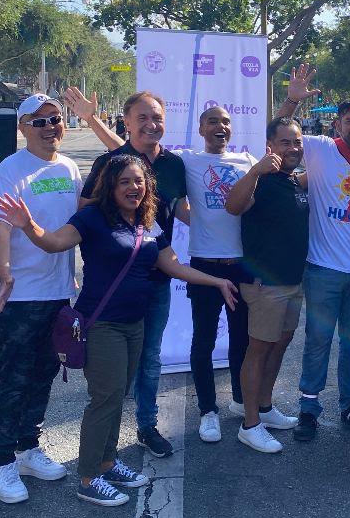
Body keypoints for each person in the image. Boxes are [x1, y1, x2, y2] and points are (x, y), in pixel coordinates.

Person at [0, 154, 237, 505]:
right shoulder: (92, 218)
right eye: (124, 181)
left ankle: (107, 462)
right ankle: (89, 477)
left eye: (138, 181)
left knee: (118, 394)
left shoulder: (147, 222)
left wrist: (216, 281)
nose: (133, 188)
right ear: (110, 186)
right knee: (104, 398)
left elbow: (172, 266)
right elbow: (55, 243)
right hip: (101, 323)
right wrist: (29, 224)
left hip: (133, 324)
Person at [277, 65, 350, 440]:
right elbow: (276, 135)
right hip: (323, 268)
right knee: (317, 342)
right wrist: (292, 99)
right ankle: (308, 408)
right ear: (338, 125)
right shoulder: (321, 149)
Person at [0, 94, 80, 504]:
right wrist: (5, 275)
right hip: (21, 294)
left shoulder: (71, 167)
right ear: (22, 128)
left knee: (44, 372)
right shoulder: (12, 168)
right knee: (14, 378)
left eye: (55, 120)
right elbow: (1, 227)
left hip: (59, 291)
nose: (49, 128)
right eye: (38, 122)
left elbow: (79, 225)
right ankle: (3, 461)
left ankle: (29, 447)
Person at [79, 90, 184, 458]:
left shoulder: (174, 164)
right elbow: (86, 210)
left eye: (157, 118)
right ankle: (104, 445)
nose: (151, 125)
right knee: (116, 373)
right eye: (143, 118)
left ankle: (146, 425)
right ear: (127, 122)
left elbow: (181, 210)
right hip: (116, 282)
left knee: (150, 357)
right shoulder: (111, 162)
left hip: (157, 279)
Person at [225, 117, 310, 453]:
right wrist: (255, 171)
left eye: (297, 141)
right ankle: (250, 424)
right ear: (270, 146)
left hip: (292, 281)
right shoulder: (259, 180)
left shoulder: (292, 181)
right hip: (265, 285)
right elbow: (232, 206)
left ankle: (264, 406)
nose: (293, 148)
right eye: (285, 142)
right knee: (258, 350)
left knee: (280, 345)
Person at [177, 106, 258, 443]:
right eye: (213, 122)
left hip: (241, 265)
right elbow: (141, 154)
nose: (220, 127)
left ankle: (240, 400)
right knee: (204, 341)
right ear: (201, 129)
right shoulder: (188, 161)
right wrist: (196, 221)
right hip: (205, 265)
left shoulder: (248, 162)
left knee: (242, 338)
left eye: (226, 122)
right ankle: (208, 410)